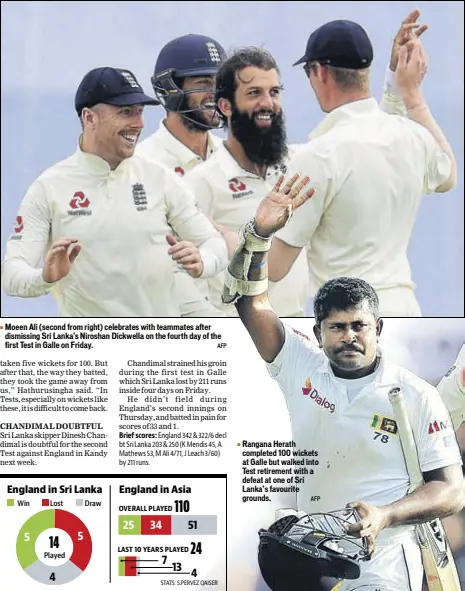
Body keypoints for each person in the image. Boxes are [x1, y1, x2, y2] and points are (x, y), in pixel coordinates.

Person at [264, 19, 457, 317]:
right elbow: (448, 174)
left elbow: (275, 268)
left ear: (321, 72)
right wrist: (411, 95)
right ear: (364, 72)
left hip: (348, 326)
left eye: (308, 72)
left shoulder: (317, 156)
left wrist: (238, 239)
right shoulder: (411, 136)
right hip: (406, 315)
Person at [1, 67, 227, 316]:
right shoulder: (49, 187)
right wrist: (44, 277)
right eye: (125, 112)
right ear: (89, 118)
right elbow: (12, 273)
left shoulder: (160, 178)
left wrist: (202, 261)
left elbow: (213, 243)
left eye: (140, 112)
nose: (139, 124)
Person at [184, 47, 310, 317]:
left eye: (274, 92)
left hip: (298, 331)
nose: (268, 103)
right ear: (225, 106)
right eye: (254, 93)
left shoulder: (300, 163)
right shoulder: (201, 182)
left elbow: (357, 145)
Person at [136, 33, 229, 316]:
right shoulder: (141, 166)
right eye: (203, 83)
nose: (215, 94)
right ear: (171, 88)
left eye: (221, 84)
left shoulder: (235, 158)